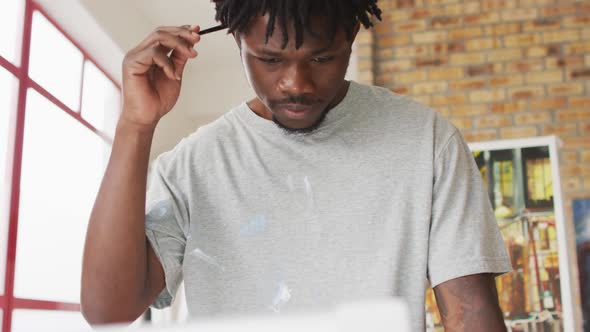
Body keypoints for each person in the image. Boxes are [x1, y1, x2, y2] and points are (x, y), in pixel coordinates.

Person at [81, 1, 512, 331]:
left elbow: (470, 313)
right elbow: (108, 309)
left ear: (352, 35)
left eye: (322, 58)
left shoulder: (427, 142)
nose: (296, 84)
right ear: (237, 41)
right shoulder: (193, 165)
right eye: (270, 60)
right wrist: (135, 126)